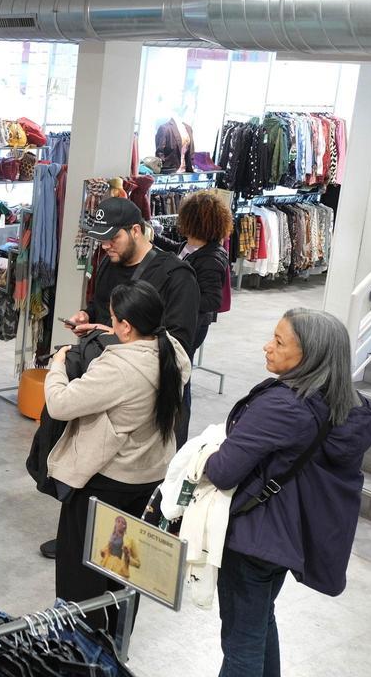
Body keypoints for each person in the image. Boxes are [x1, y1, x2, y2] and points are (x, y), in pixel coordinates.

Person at [203, 309, 371, 677]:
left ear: (309, 356)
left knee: (241, 645)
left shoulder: (284, 406)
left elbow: (222, 471)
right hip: (286, 536)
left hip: (252, 537)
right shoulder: (341, 404)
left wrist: (205, 453)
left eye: (279, 342)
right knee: (260, 622)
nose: (267, 347)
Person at [45, 280, 190, 635]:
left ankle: (84, 651)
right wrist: (112, 332)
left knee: (81, 578)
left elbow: (60, 404)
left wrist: (57, 365)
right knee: (126, 572)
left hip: (106, 481)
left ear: (126, 326)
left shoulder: (118, 369)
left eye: (113, 319)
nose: (110, 324)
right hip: (149, 479)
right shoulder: (173, 353)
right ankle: (116, 643)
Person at [68, 197, 199, 446]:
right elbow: (101, 307)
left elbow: (179, 346)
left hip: (151, 398)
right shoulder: (108, 263)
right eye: (102, 239)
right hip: (107, 382)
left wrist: (113, 333)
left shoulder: (176, 276)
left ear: (136, 230)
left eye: (113, 238)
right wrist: (87, 316)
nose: (106, 245)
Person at [153, 191, 232, 356]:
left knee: (179, 364)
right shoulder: (192, 244)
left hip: (191, 325)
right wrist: (153, 237)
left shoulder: (211, 260)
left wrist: (177, 297)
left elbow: (213, 301)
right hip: (177, 318)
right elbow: (177, 249)